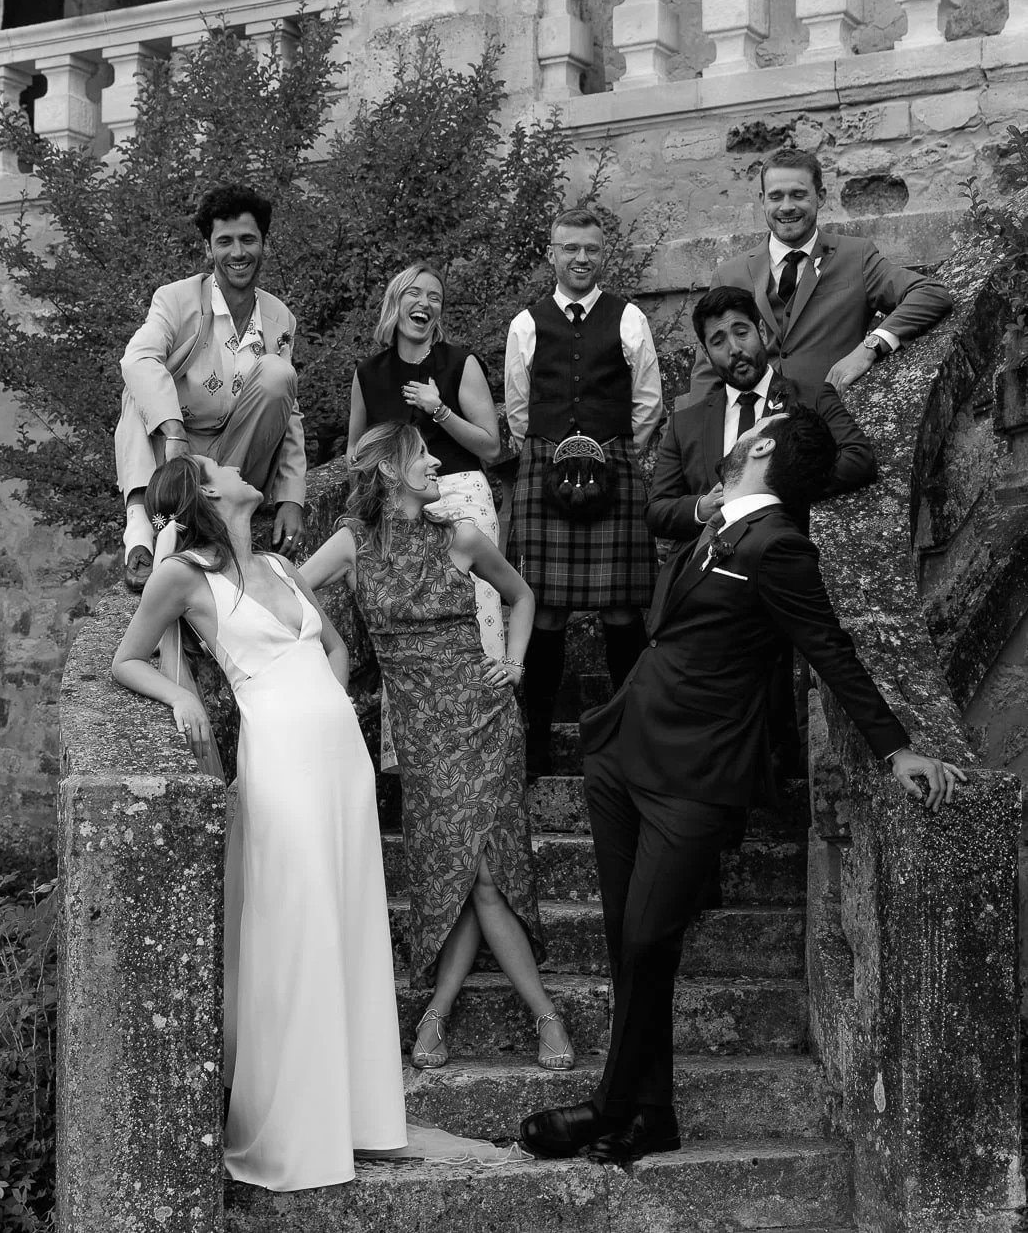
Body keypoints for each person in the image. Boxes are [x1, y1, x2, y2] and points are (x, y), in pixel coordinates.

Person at [519, 407, 966, 1167]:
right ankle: (650, 1117)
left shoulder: (778, 546)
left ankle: (607, 1106)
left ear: (760, 446)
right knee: (630, 947)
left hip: (693, 774)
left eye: (759, 422)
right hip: (623, 752)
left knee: (647, 935)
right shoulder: (719, 525)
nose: (744, 427)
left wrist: (895, 750)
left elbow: (829, 647)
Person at [111, 454, 406, 1192]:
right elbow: (126, 658)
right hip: (275, 754)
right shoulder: (182, 574)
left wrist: (328, 710)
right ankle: (294, 1135)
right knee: (297, 924)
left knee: (348, 918)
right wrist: (182, 700)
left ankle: (357, 1119)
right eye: (222, 465)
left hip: (339, 757)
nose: (243, 466)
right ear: (209, 491)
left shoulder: (280, 563)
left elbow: (334, 649)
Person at [302, 422, 574, 1074]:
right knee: (453, 873)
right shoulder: (353, 542)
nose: (433, 463)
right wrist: (336, 650)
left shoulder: (460, 535)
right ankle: (446, 1013)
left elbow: (521, 596)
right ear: (389, 471)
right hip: (421, 731)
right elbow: (288, 594)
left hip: (485, 718)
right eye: (420, 454)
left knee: (484, 873)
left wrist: (512, 664)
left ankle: (530, 1017)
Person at [505, 208, 664, 777]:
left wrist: (616, 454)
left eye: (590, 249)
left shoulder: (629, 319)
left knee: (623, 609)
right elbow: (519, 413)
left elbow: (648, 403)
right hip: (545, 462)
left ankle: (631, 737)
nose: (580, 259)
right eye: (569, 248)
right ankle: (537, 741)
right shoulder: (526, 323)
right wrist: (554, 453)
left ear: (603, 254)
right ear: (551, 252)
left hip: (614, 464)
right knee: (545, 610)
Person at [114, 183, 307, 593]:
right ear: (209, 249)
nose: (238, 252)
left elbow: (287, 412)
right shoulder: (176, 299)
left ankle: (209, 514)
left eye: (248, 240)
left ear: (263, 245)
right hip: (174, 453)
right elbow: (136, 359)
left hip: (235, 461)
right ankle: (141, 532)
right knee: (140, 383)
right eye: (225, 241)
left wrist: (292, 497)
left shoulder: (279, 318)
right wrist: (173, 432)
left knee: (278, 375)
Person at [348, 264, 504, 769]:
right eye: (415, 293)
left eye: (435, 297)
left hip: (459, 491)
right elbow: (356, 455)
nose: (426, 302)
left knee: (476, 615)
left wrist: (439, 411)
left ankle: (487, 729)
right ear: (395, 304)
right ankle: (417, 755)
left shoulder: (460, 363)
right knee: (405, 623)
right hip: (397, 504)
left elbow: (492, 446)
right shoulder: (368, 374)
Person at [688, 148, 952, 400]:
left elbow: (930, 294)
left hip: (832, 430)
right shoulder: (728, 274)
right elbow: (708, 374)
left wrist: (869, 348)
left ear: (821, 196)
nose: (786, 206)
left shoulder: (855, 257)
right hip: (754, 436)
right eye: (776, 196)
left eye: (798, 195)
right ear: (762, 201)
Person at [651, 286, 877, 546]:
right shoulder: (685, 423)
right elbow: (657, 510)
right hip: (708, 566)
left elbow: (859, 459)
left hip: (786, 552)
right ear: (706, 352)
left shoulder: (812, 397)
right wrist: (702, 507)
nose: (734, 348)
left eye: (741, 332)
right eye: (718, 341)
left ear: (761, 332)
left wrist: (768, 483)